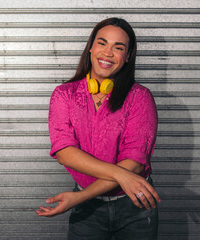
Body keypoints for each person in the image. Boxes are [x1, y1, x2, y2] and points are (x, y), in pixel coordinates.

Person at [36, 17, 160, 240]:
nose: (108, 53)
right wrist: (122, 176)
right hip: (88, 210)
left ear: (128, 56)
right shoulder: (64, 95)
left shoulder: (139, 98)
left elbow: (134, 161)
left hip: (135, 205)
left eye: (118, 47)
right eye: (102, 43)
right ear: (91, 47)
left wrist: (79, 197)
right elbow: (65, 153)